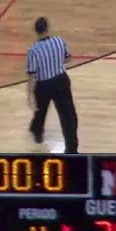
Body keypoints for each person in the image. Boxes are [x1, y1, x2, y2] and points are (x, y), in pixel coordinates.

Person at [26, 17, 77, 153]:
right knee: (68, 115)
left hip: (43, 85)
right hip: (61, 81)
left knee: (41, 110)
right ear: (47, 28)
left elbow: (32, 74)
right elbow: (68, 58)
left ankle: (37, 131)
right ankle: (71, 149)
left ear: (36, 31)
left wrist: (30, 94)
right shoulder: (59, 41)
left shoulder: (33, 50)